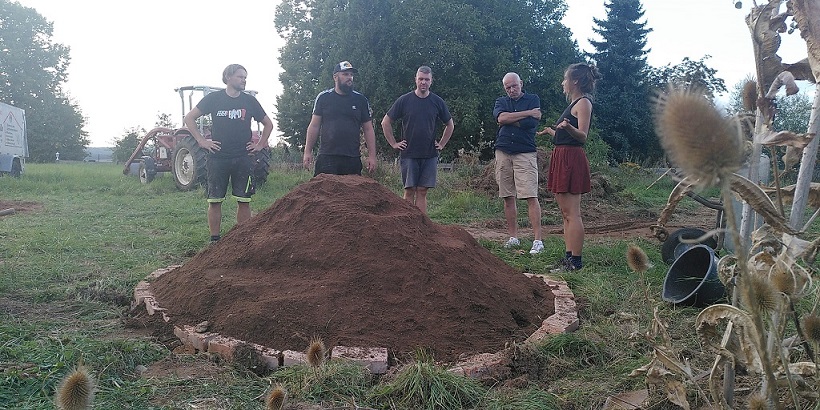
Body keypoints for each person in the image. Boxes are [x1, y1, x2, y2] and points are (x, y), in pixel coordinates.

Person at [183, 64, 273, 242]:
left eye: (245, 77)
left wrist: (260, 145)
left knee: (244, 200)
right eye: (240, 77)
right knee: (215, 200)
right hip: (218, 158)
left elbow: (268, 124)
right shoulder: (214, 99)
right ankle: (215, 240)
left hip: (243, 158)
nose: (244, 80)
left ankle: (243, 239)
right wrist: (202, 141)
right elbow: (189, 118)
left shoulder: (249, 101)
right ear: (228, 77)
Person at [537, 63, 600, 271]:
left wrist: (568, 127)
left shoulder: (583, 103)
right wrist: (552, 132)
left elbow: (582, 136)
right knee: (565, 213)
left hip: (571, 159)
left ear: (575, 81)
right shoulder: (574, 103)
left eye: (565, 79)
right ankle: (568, 259)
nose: (563, 83)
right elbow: (566, 137)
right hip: (562, 155)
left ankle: (576, 262)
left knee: (573, 213)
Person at [381, 66, 454, 214]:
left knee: (422, 191)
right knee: (409, 191)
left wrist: (441, 144)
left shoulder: (437, 102)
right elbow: (385, 122)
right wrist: (394, 143)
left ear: (431, 81)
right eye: (420, 79)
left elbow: (450, 124)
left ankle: (421, 227)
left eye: (426, 79)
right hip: (409, 153)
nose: (423, 82)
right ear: (415, 79)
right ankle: (408, 226)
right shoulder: (404, 100)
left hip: (429, 154)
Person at [493, 72, 543, 255]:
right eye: (507, 87)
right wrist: (528, 113)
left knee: (530, 195)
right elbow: (500, 119)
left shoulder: (533, 98)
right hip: (503, 151)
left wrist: (510, 119)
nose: (511, 90)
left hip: (525, 152)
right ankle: (513, 237)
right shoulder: (501, 101)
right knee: (507, 196)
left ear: (521, 83)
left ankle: (538, 240)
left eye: (514, 86)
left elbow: (530, 124)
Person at [303, 61, 377, 176]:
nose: (350, 78)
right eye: (345, 74)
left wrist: (372, 156)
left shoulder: (360, 100)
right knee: (323, 193)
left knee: (351, 193)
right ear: (335, 77)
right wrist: (307, 151)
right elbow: (314, 126)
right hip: (327, 157)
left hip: (352, 158)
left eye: (351, 75)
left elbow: (368, 129)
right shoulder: (323, 98)